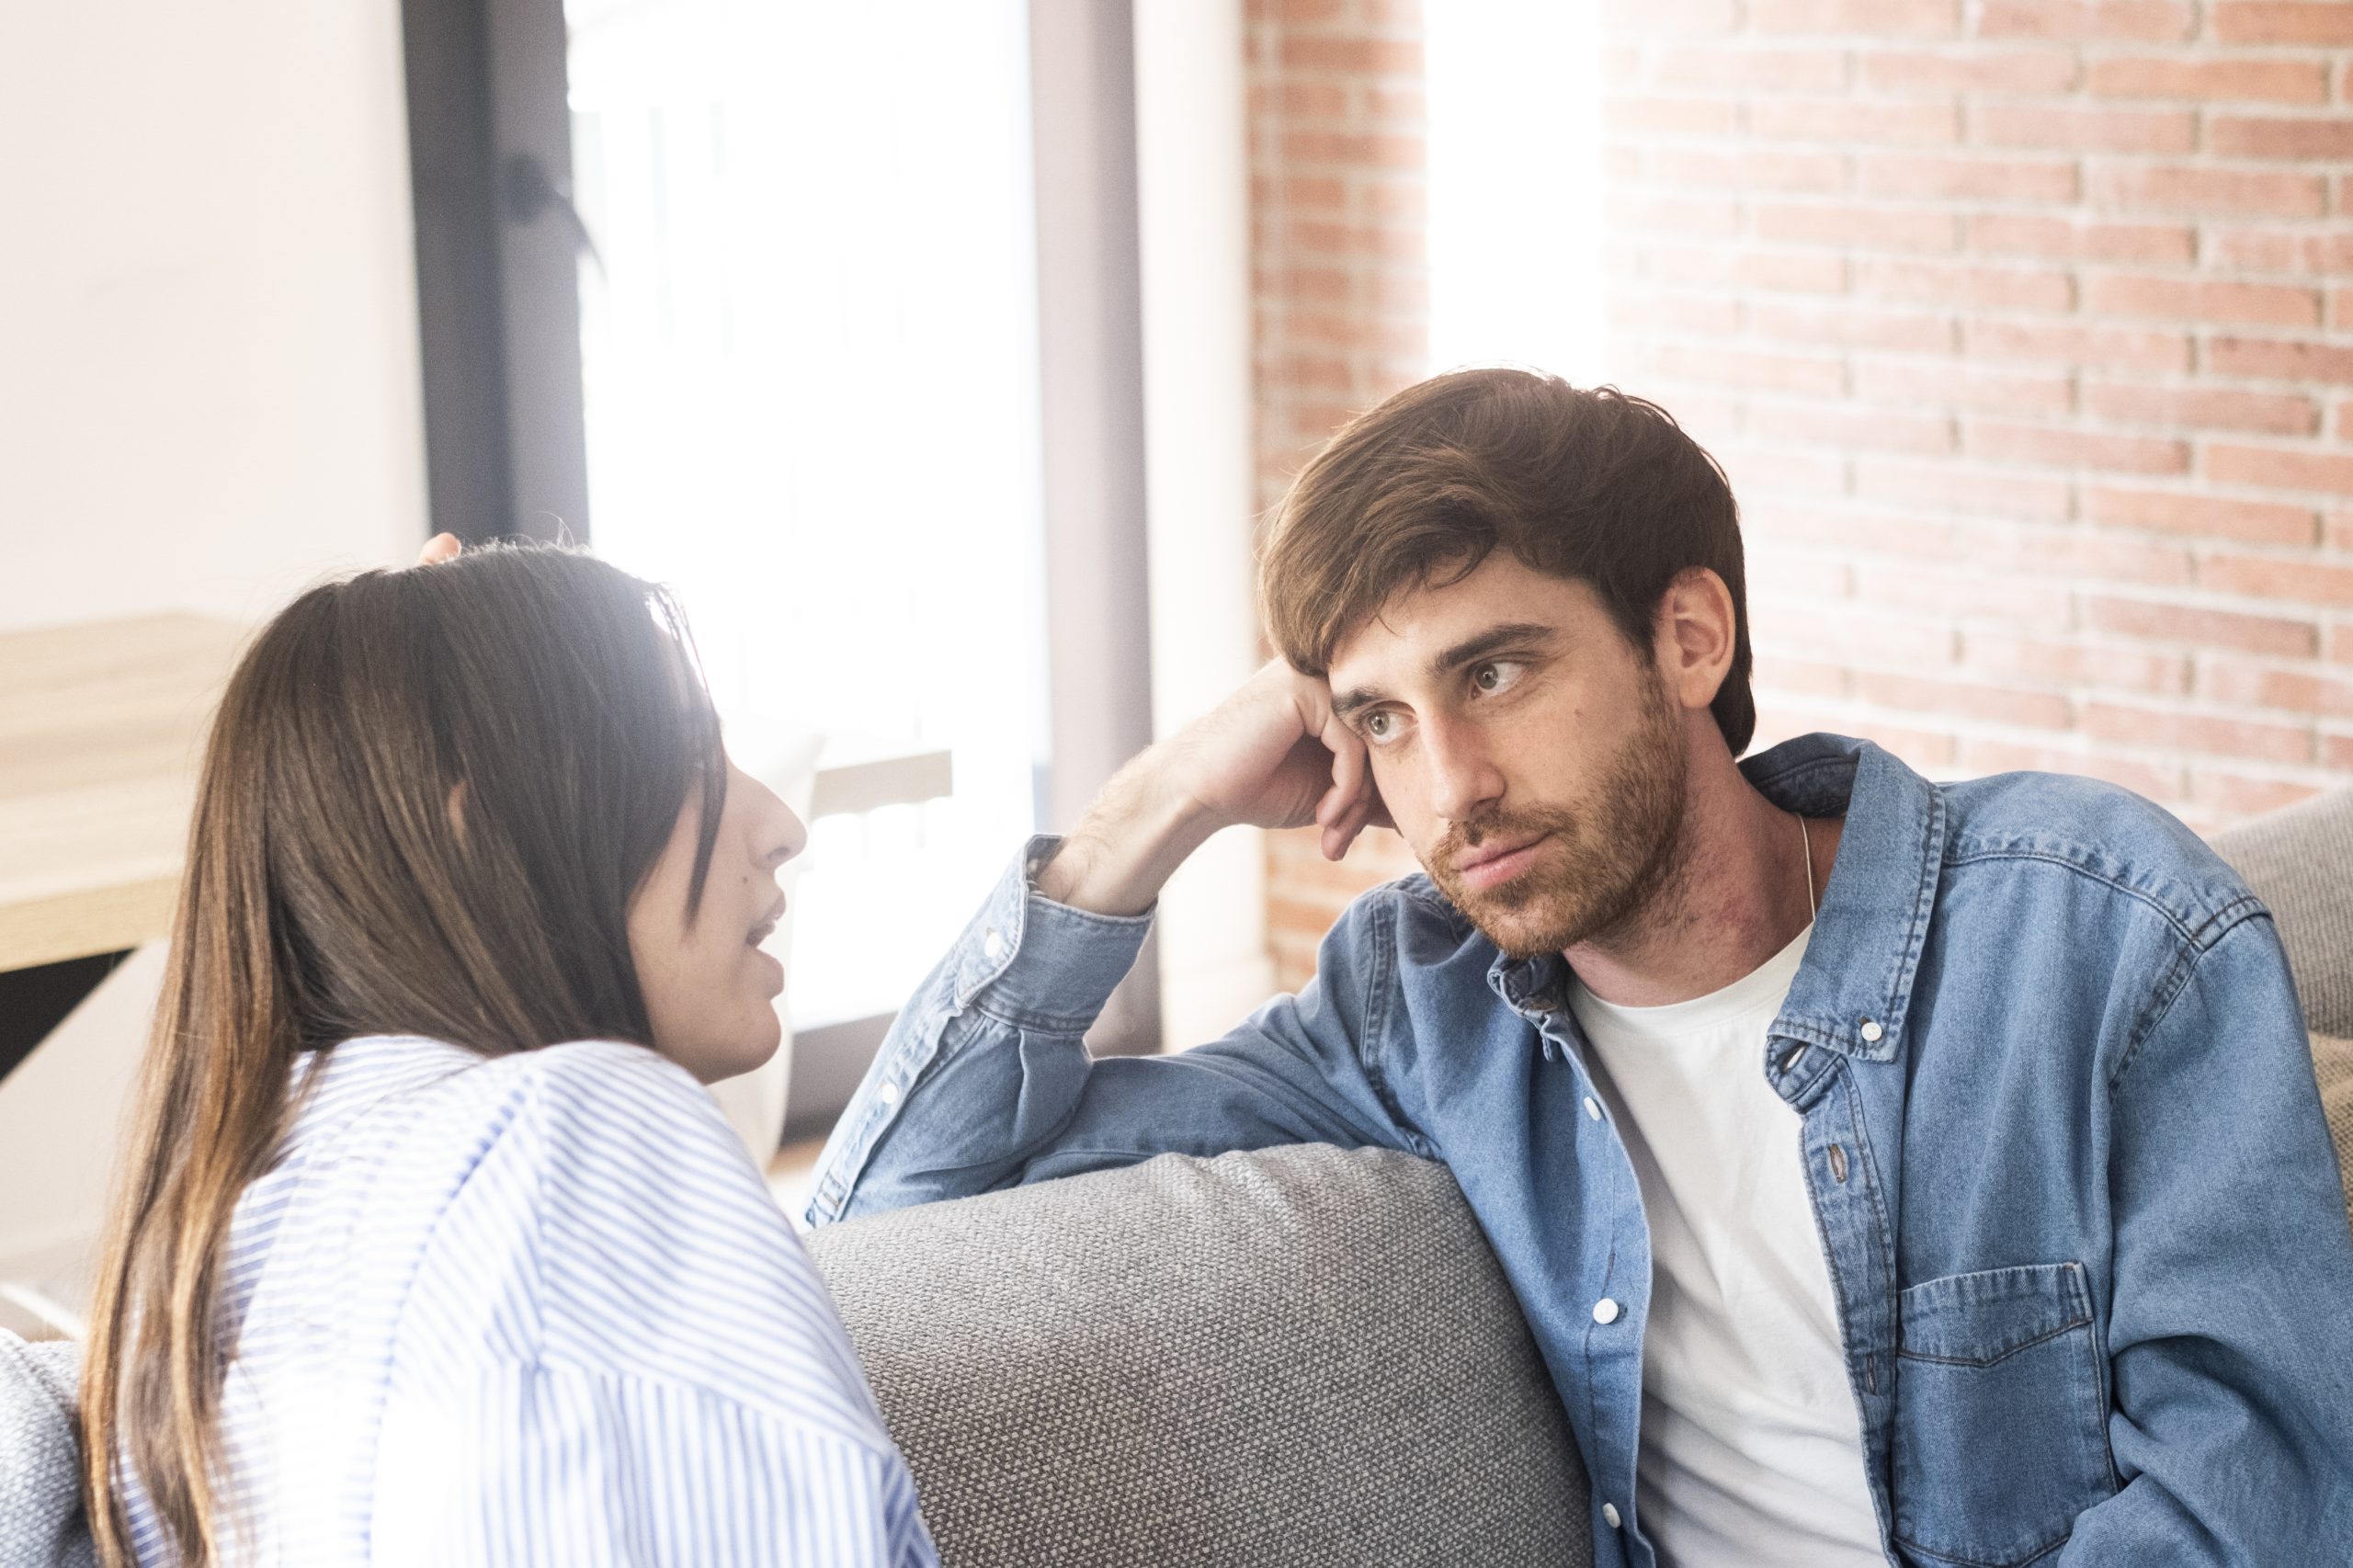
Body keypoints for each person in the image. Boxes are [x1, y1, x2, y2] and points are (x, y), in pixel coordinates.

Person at [808, 369, 2353, 1567]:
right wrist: (1153, 809)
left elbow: (2264, 1503)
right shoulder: (1419, 1006)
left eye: (1494, 670)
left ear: (1688, 639)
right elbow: (890, 1210)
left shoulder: (2097, 931)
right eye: (1382, 716)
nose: (1448, 786)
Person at [80, 543, 937, 1567]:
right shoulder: (574, 1134)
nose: (780, 823)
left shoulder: (206, 1245)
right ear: (478, 827)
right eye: (685, 757)